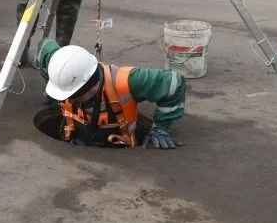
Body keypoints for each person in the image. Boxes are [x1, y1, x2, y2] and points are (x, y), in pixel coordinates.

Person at [36, 39, 186, 149]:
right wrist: (55, 86)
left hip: (119, 148)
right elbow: (45, 45)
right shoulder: (64, 67)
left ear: (92, 85)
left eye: (74, 95)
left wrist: (161, 127)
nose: (69, 99)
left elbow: (173, 82)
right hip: (75, 140)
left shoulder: (127, 81)